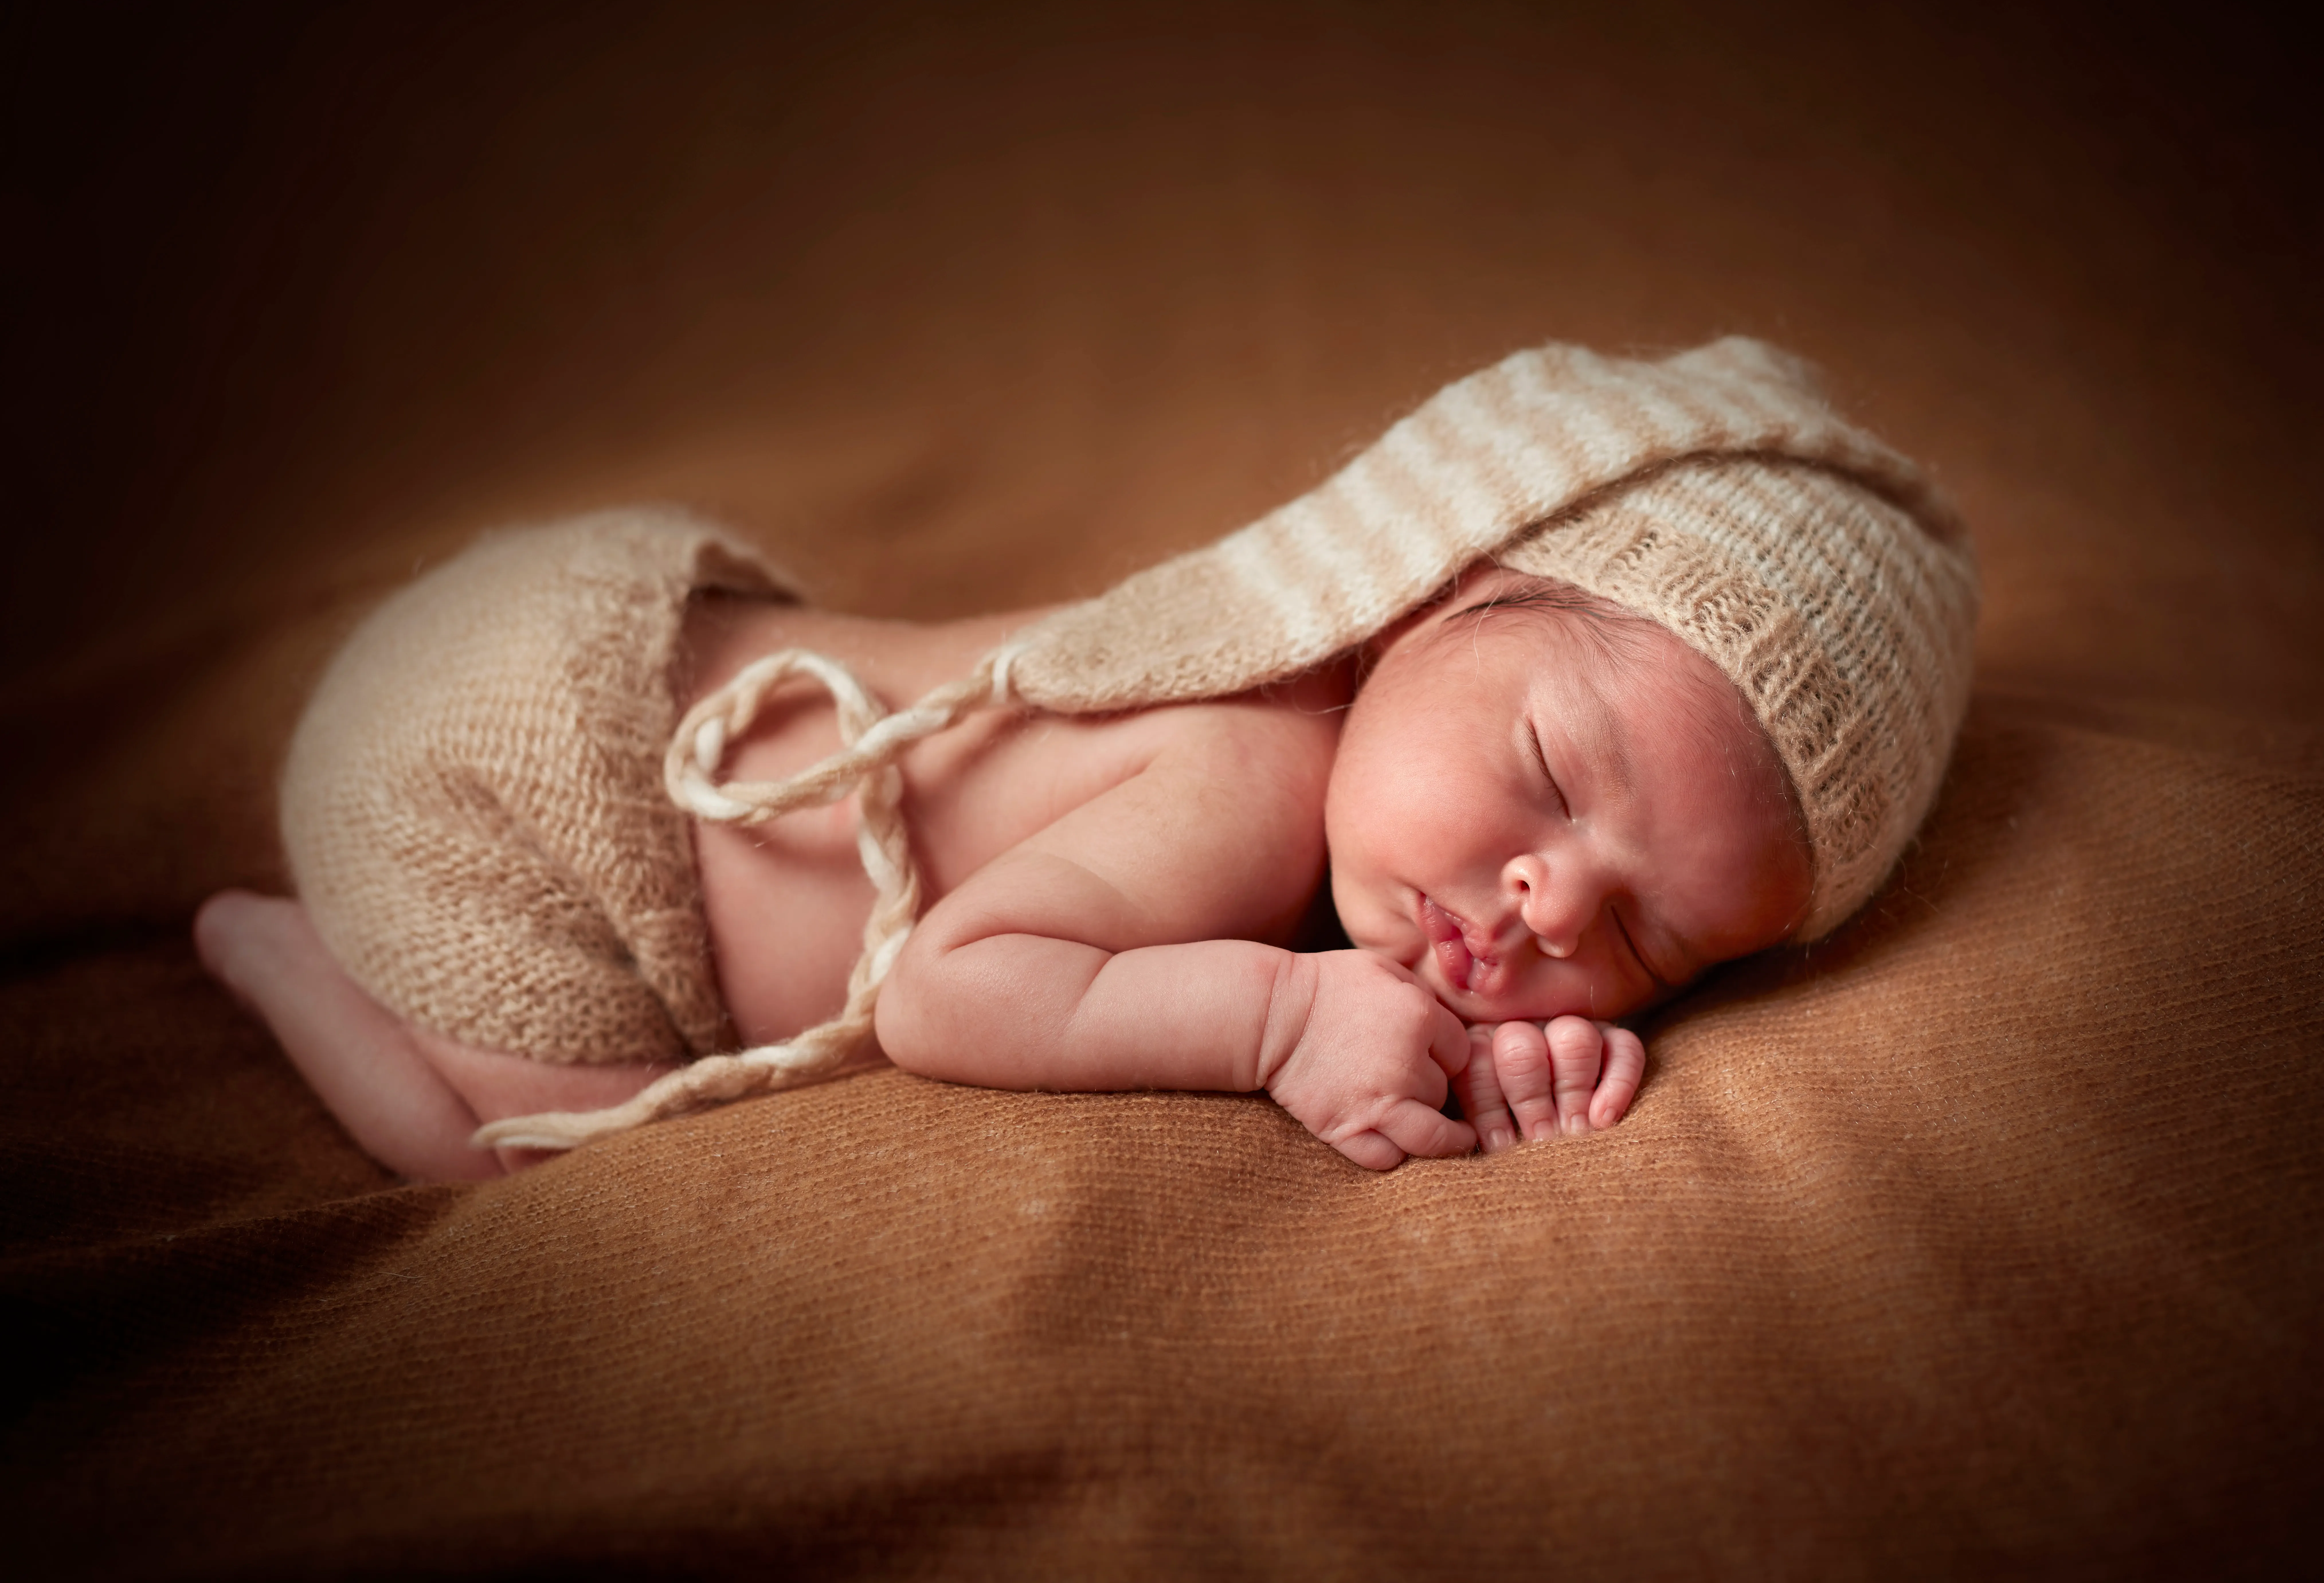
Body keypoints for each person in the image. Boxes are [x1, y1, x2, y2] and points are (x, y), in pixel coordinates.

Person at [195, 338, 1980, 1182]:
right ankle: (281, 955)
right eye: (1550, 772)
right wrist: (1282, 1024)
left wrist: (1506, 1055)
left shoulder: (1391, 839)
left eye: (1654, 940)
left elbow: (1454, 971)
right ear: (1433, 597)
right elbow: (952, 993)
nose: (1550, 905)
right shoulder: (1251, 769)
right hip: (525, 772)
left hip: (608, 617)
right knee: (529, 1169)